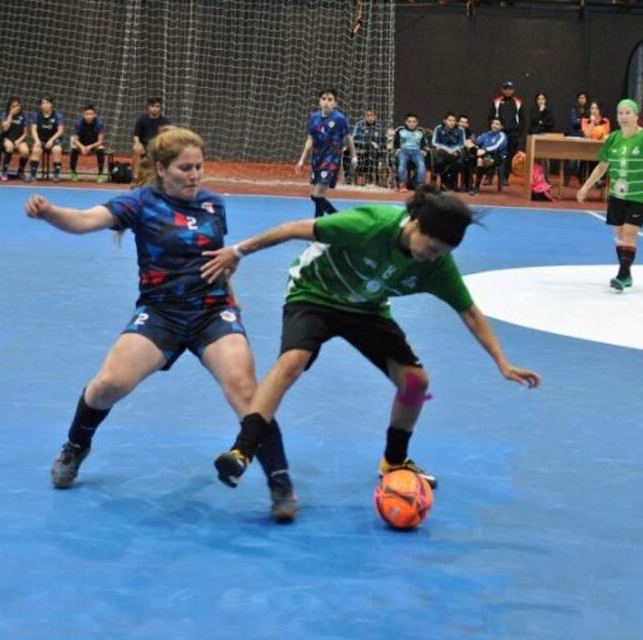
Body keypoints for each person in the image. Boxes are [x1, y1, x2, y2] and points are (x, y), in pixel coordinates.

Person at [200, 184, 541, 507]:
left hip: (367, 309)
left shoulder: (437, 266)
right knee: (291, 362)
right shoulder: (370, 225)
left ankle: (395, 460)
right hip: (314, 295)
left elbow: (470, 313)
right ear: (416, 225)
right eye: (432, 249)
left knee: (415, 382)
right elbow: (291, 229)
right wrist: (238, 251)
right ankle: (242, 451)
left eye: (442, 254)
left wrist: (502, 362)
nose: (433, 258)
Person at [23, 128, 298, 523]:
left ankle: (280, 480)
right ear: (161, 169)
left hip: (212, 313)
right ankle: (76, 445)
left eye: (199, 166)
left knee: (246, 391)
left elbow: (216, 259)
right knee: (108, 385)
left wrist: (232, 298)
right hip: (161, 313)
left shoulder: (214, 204)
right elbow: (85, 221)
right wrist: (50, 212)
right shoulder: (139, 202)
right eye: (185, 168)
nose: (194, 175)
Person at [577, 99, 643, 291]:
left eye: (627, 113)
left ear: (636, 116)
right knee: (620, 235)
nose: (623, 117)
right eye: (620, 113)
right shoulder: (613, 138)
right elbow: (602, 166)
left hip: (638, 195)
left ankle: (622, 275)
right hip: (616, 195)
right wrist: (585, 187)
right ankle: (626, 273)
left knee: (630, 233)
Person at [295, 89, 356, 216]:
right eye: (323, 99)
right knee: (317, 195)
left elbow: (348, 137)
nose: (326, 102)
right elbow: (310, 140)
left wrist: (354, 156)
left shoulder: (340, 118)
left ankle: (337, 217)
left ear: (335, 103)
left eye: (330, 99)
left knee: (317, 195)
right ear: (319, 101)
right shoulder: (314, 117)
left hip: (331, 158)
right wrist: (301, 160)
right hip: (317, 158)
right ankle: (320, 220)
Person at [488, 81, 523, 187]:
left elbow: (522, 120)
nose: (508, 91)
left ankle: (504, 178)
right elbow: (490, 117)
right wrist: (492, 131)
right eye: (506, 89)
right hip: (498, 133)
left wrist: (519, 134)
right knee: (492, 153)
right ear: (502, 90)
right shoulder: (496, 102)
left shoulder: (518, 103)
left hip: (513, 134)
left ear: (513, 90)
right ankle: (489, 176)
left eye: (510, 89)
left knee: (509, 157)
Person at [468, 118, 508, 195]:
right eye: (493, 123)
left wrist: (484, 150)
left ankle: (476, 187)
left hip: (497, 157)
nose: (494, 125)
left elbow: (496, 147)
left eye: (497, 124)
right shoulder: (485, 135)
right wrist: (471, 142)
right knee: (469, 157)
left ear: (501, 126)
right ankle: (468, 185)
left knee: (480, 161)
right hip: (483, 155)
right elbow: (476, 142)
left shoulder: (502, 136)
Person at [30, 96, 65, 182]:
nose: (45, 105)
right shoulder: (36, 115)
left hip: (54, 140)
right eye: (43, 103)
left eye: (47, 103)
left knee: (57, 149)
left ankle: (56, 175)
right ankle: (33, 175)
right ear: (41, 105)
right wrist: (37, 141)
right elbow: (33, 129)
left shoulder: (58, 115)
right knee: (35, 149)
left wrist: (51, 140)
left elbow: (60, 131)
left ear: (51, 104)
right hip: (41, 140)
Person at [69, 104, 107, 183]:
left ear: (95, 115)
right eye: (87, 114)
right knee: (74, 147)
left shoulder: (99, 123)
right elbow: (75, 140)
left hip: (94, 145)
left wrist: (90, 146)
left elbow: (100, 141)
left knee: (101, 148)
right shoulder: (79, 123)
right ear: (83, 115)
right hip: (81, 145)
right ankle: (73, 172)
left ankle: (100, 174)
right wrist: (82, 147)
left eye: (91, 114)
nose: (89, 116)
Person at [392, 112, 428, 193]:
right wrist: (397, 149)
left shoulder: (421, 131)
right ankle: (402, 184)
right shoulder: (400, 130)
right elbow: (395, 142)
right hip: (404, 151)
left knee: (421, 165)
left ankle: (420, 184)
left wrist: (423, 150)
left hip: (417, 152)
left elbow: (424, 143)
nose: (412, 123)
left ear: (417, 123)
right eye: (409, 121)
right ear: (406, 122)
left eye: (414, 122)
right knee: (402, 164)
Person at [350, 109, 387, 187]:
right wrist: (367, 143)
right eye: (368, 115)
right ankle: (368, 178)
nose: (370, 117)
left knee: (372, 150)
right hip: (361, 149)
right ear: (365, 117)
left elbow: (383, 141)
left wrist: (378, 146)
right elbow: (354, 139)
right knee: (369, 147)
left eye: (372, 115)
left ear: (375, 117)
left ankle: (371, 178)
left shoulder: (380, 127)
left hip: (377, 151)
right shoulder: (359, 125)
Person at [431, 112, 467, 191]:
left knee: (459, 163)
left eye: (453, 120)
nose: (451, 122)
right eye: (449, 120)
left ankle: (448, 181)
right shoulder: (438, 128)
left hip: (455, 151)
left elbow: (462, 144)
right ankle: (444, 181)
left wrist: (454, 149)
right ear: (445, 121)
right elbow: (434, 142)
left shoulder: (460, 130)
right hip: (443, 151)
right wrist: (446, 149)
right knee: (440, 159)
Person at [0, 97, 30, 181]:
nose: (16, 108)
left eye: (18, 105)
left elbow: (25, 133)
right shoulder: (5, 114)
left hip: (19, 139)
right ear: (9, 107)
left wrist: (18, 141)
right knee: (10, 147)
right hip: (7, 138)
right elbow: (5, 128)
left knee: (25, 152)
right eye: (13, 106)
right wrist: (11, 115)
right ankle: (4, 171)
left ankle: (20, 171)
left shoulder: (24, 116)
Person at [132, 97, 170, 162]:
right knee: (136, 149)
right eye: (152, 106)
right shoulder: (141, 120)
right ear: (148, 107)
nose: (155, 108)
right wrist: (137, 144)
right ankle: (136, 169)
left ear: (160, 108)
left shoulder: (165, 121)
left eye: (157, 106)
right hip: (145, 145)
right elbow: (136, 135)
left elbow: (169, 135)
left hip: (158, 145)